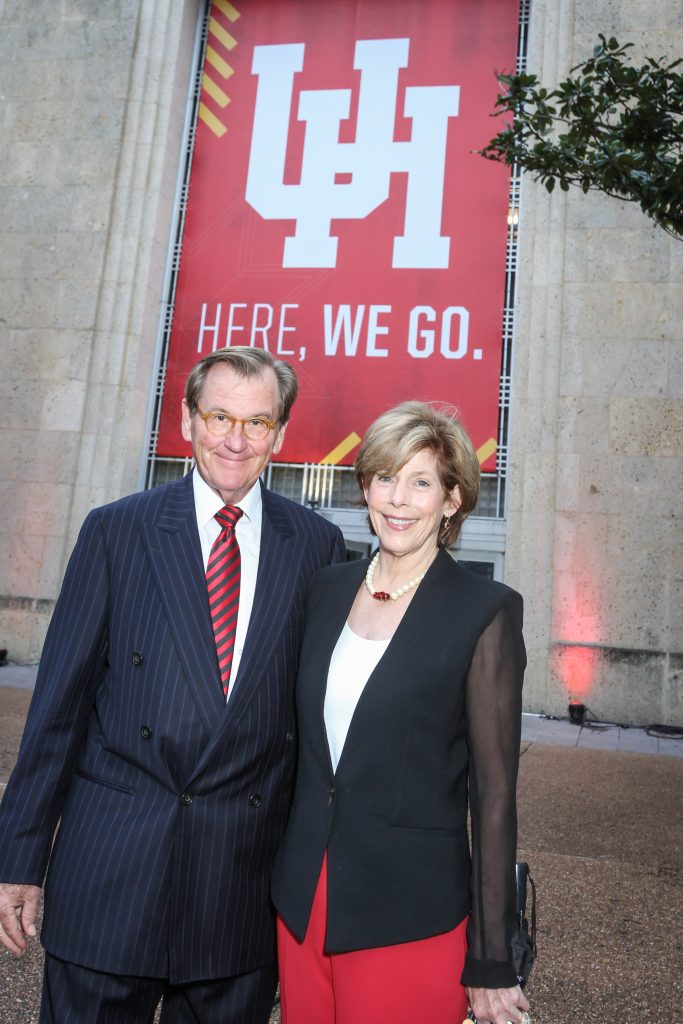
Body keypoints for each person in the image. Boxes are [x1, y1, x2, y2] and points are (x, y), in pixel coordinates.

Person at [0, 347, 346, 1024]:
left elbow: (315, 734)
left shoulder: (317, 546)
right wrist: (18, 859)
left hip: (236, 892)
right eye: (219, 416)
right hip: (112, 875)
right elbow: (58, 714)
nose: (235, 439)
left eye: (256, 422)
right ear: (188, 419)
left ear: (278, 433)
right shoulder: (116, 531)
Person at [272, 401, 530, 1024]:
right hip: (303, 904)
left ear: (451, 501)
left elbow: (493, 797)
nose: (398, 498)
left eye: (421, 482)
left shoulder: (483, 611)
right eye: (385, 476)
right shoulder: (326, 589)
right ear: (364, 486)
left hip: (409, 915)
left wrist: (492, 959)